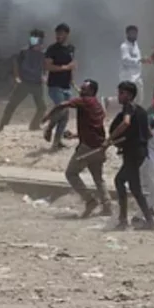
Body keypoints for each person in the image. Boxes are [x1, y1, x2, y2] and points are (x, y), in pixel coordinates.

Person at [43, 79, 109, 217]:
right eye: (82, 88)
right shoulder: (97, 105)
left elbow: (62, 104)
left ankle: (90, 200)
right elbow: (94, 128)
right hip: (99, 146)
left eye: (84, 89)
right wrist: (75, 135)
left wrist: (48, 117)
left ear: (91, 91)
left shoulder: (85, 101)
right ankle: (107, 206)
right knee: (98, 178)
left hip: (87, 147)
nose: (81, 91)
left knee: (71, 174)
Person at [106, 81, 154, 229]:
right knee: (134, 187)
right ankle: (148, 221)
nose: (119, 96)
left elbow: (125, 123)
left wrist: (110, 139)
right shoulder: (142, 111)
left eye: (121, 93)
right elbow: (149, 134)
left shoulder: (129, 108)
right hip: (139, 152)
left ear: (129, 95)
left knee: (120, 181)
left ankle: (123, 220)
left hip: (133, 153)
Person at [0, 29, 46, 132]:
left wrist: (44, 75)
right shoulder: (24, 52)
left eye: (36, 38)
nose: (33, 40)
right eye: (32, 37)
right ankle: (1, 126)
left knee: (42, 107)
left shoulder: (44, 53)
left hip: (37, 83)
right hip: (25, 83)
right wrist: (17, 77)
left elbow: (45, 66)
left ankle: (34, 125)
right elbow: (16, 64)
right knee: (12, 104)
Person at [44, 23, 76, 149]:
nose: (58, 36)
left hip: (66, 85)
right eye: (57, 34)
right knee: (62, 109)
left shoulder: (71, 48)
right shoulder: (52, 49)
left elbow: (72, 64)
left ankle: (57, 142)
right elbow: (47, 66)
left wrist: (72, 79)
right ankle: (49, 128)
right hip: (54, 85)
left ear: (67, 34)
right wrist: (64, 68)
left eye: (61, 34)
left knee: (65, 116)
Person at [119, 25, 146, 103]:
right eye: (132, 33)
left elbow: (138, 59)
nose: (134, 35)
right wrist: (139, 60)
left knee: (140, 100)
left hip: (137, 77)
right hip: (128, 78)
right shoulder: (124, 46)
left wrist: (143, 60)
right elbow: (125, 60)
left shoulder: (135, 45)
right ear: (127, 34)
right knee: (129, 101)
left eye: (135, 33)